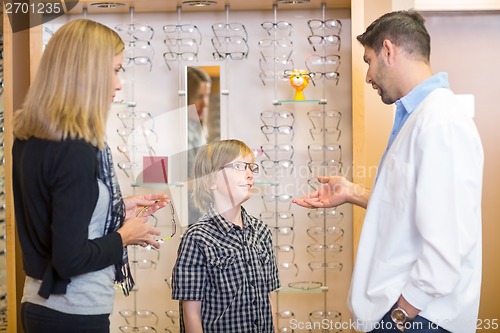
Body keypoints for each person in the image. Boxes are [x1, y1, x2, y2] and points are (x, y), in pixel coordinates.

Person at [293, 10, 483, 333]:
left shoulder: (441, 122)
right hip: (413, 316)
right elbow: (411, 207)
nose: (368, 76)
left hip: (420, 318)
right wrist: (352, 192)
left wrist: (400, 317)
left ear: (389, 50)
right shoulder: (420, 118)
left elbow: (447, 243)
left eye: (368, 61)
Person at [12, 19, 169, 333]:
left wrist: (115, 207)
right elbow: (70, 258)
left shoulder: (31, 138)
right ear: (88, 74)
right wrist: (126, 235)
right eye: (114, 70)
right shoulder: (76, 149)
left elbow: (58, 214)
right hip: (72, 313)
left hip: (41, 307)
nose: (118, 84)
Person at [172, 139, 280, 333]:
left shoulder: (262, 232)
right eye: (238, 166)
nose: (249, 174)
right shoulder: (197, 238)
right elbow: (191, 313)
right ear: (211, 180)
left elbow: (269, 299)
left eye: (250, 167)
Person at [186, 66, 212, 225]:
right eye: (199, 96)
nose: (205, 103)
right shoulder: (180, 131)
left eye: (207, 96)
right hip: (188, 215)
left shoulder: (198, 129)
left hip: (199, 212)